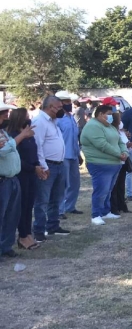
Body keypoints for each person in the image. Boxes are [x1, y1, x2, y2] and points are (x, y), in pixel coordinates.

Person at [31, 96, 72, 242]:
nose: (61, 110)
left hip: (59, 164)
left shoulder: (53, 121)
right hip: (48, 165)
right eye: (59, 107)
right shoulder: (40, 122)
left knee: (56, 198)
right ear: (50, 107)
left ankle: (53, 225)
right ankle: (39, 230)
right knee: (42, 200)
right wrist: (43, 166)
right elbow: (38, 146)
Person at [81, 105, 129, 225]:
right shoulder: (93, 126)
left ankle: (105, 211)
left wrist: (125, 152)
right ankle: (96, 214)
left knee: (108, 190)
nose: (111, 116)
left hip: (114, 163)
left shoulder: (109, 126)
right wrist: (119, 154)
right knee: (101, 190)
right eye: (108, 113)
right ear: (101, 114)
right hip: (99, 163)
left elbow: (119, 141)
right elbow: (102, 145)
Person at [1, 103, 36, 257]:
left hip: (12, 178)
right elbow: (3, 150)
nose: (6, 116)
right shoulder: (10, 133)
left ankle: (6, 247)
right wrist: (21, 137)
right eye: (3, 113)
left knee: (11, 215)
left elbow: (9, 147)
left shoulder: (3, 132)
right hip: (3, 180)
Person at [7, 108, 42, 250]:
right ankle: (22, 236)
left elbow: (34, 152)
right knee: (22, 206)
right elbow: (18, 158)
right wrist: (33, 168)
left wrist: (38, 167)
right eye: (26, 116)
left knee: (29, 205)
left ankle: (28, 233)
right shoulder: (14, 136)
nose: (29, 118)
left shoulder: (29, 133)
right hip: (21, 174)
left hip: (31, 174)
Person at [55, 91, 84, 219]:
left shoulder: (71, 117)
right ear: (60, 103)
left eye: (69, 102)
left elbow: (74, 138)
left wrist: (78, 154)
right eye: (66, 102)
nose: (69, 104)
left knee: (75, 183)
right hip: (63, 156)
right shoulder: (58, 119)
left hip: (73, 154)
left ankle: (70, 206)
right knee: (63, 184)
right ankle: (60, 210)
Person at [110, 109, 132, 216]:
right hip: (116, 160)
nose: (121, 121)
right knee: (115, 185)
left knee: (121, 185)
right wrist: (128, 146)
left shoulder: (121, 132)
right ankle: (114, 207)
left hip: (124, 161)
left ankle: (122, 205)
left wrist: (129, 145)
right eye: (119, 119)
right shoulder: (113, 132)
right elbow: (116, 145)